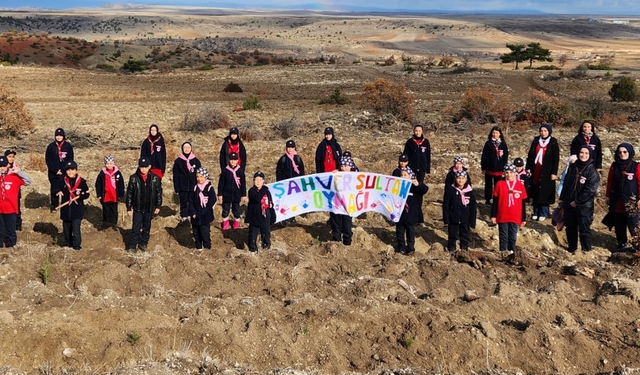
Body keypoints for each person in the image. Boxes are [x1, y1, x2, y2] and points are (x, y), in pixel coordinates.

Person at [559, 145, 599, 253]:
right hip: (569, 203)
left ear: (590, 155)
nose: (583, 155)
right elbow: (566, 183)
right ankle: (572, 249)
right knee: (570, 227)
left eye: (586, 153)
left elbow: (590, 190)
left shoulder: (592, 172)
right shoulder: (573, 167)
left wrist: (577, 201)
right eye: (582, 152)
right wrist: (563, 200)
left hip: (584, 206)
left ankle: (586, 250)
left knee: (584, 229)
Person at [605, 143, 640, 252]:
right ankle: (622, 243)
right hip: (617, 200)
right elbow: (610, 181)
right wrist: (607, 196)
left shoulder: (636, 166)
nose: (622, 154)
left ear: (630, 152)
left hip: (632, 201)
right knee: (619, 223)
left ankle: (637, 246)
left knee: (634, 224)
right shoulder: (614, 166)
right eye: (620, 152)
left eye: (625, 152)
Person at [126, 157, 162, 252]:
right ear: (138, 166)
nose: (144, 169)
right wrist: (129, 207)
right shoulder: (133, 178)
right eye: (142, 167)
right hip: (138, 208)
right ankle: (132, 246)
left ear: (149, 166)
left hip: (149, 208)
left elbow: (158, 192)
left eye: (146, 167)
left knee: (147, 227)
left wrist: (158, 206)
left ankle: (143, 244)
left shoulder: (154, 178)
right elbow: (129, 193)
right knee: (135, 228)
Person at [526, 124, 559, 222]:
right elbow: (530, 155)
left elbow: (555, 159)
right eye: (541, 131)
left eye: (545, 131)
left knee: (545, 191)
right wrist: (528, 168)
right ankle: (535, 211)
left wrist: (554, 172)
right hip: (536, 169)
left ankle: (543, 212)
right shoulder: (536, 141)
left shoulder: (553, 142)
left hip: (547, 171)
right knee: (535, 190)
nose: (543, 133)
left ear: (549, 131)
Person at [491, 163, 527, 252]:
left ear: (514, 173)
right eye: (506, 172)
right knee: (503, 236)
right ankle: (503, 254)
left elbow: (523, 203)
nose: (509, 175)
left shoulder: (520, 185)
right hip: (503, 215)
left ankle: (511, 254)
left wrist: (523, 218)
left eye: (511, 172)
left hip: (515, 215)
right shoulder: (499, 184)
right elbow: (495, 201)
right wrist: (493, 215)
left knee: (513, 236)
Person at [55, 161, 90, 251]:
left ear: (76, 171)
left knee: (76, 229)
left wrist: (83, 194)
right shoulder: (62, 181)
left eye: (72, 170)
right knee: (66, 229)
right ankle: (68, 245)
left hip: (77, 210)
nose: (70, 172)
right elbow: (55, 188)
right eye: (68, 170)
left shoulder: (81, 181)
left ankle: (77, 246)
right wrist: (58, 191)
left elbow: (86, 194)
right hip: (66, 209)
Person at [0, 156, 31, 247]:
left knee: (11, 230)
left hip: (11, 208)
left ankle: (11, 246)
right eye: (0, 166)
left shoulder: (13, 176)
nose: (2, 168)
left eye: (4, 166)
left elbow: (28, 181)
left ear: (8, 166)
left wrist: (19, 172)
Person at [397, 167, 429, 255]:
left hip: (411, 214)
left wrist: (418, 184)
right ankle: (401, 248)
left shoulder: (415, 188)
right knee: (400, 232)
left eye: (405, 175)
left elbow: (425, 189)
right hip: (400, 214)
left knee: (410, 232)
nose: (403, 177)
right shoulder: (397, 187)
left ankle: (410, 248)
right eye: (402, 175)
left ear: (410, 176)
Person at [443, 170, 477, 252]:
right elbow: (446, 205)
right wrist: (446, 219)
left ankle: (464, 251)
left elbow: (473, 207)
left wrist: (472, 221)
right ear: (455, 179)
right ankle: (451, 250)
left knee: (464, 235)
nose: (460, 180)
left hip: (465, 218)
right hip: (453, 217)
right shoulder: (450, 190)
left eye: (462, 178)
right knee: (452, 235)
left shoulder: (469, 191)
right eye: (458, 178)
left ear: (466, 180)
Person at [331, 152, 359, 246]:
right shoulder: (336, 174)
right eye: (342, 166)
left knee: (347, 225)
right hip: (336, 204)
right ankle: (336, 244)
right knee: (336, 225)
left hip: (348, 205)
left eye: (345, 166)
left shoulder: (356, 176)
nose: (343, 168)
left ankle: (347, 244)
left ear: (350, 167)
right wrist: (332, 175)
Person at [276, 139, 305, 225]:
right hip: (285, 185)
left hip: (296, 185)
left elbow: (302, 172)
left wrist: (301, 183)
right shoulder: (283, 159)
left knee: (294, 201)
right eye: (288, 147)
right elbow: (279, 172)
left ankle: (292, 217)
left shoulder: (298, 159)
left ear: (294, 148)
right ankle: (285, 218)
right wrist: (280, 183)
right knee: (285, 201)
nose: (290, 149)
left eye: (292, 147)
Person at [45, 128, 74, 212]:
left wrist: (64, 170)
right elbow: (48, 160)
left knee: (66, 189)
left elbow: (70, 159)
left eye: (60, 135)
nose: (59, 137)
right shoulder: (51, 146)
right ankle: (54, 206)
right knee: (54, 189)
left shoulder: (68, 146)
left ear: (63, 136)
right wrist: (55, 170)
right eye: (57, 135)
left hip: (65, 172)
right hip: (53, 173)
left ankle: (65, 205)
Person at [246, 171, 274, 252]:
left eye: (260, 180)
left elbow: (270, 203)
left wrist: (272, 215)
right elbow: (257, 198)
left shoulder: (267, 192)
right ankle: (252, 248)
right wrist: (264, 189)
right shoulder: (252, 191)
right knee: (253, 233)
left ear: (263, 181)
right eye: (256, 180)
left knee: (266, 231)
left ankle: (266, 245)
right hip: (254, 215)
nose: (258, 182)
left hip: (265, 214)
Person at [188, 168, 216, 250]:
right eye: (197, 177)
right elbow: (190, 201)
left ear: (206, 177)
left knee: (205, 233)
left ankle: (207, 249)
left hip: (205, 217)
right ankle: (198, 248)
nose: (199, 179)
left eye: (201, 177)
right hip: (194, 216)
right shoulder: (194, 188)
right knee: (196, 234)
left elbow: (210, 203)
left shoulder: (209, 188)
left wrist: (200, 214)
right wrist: (192, 212)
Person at [218, 152, 247, 230]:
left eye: (234, 160)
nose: (233, 161)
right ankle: (225, 223)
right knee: (225, 210)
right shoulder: (225, 171)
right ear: (229, 160)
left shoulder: (240, 171)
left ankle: (236, 223)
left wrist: (243, 194)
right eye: (231, 160)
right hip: (226, 194)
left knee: (236, 210)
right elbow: (221, 183)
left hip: (236, 195)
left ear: (237, 160)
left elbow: (243, 184)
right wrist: (220, 194)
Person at [173, 142, 201, 221]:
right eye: (185, 147)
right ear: (182, 149)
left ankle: (191, 215)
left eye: (188, 147)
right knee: (183, 202)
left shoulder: (196, 160)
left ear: (191, 148)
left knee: (192, 201)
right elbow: (176, 175)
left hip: (193, 185)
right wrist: (177, 187)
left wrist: (199, 185)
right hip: (183, 186)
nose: (187, 149)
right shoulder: (178, 161)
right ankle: (184, 216)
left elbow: (200, 174)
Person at [481, 126, 508, 205]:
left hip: (499, 168)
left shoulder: (503, 143)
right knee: (488, 184)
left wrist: (504, 167)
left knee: (498, 184)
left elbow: (505, 156)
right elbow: (484, 156)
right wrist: (483, 167)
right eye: (493, 132)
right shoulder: (488, 143)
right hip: (489, 167)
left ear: (500, 134)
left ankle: (497, 198)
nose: (495, 134)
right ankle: (488, 199)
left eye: (496, 133)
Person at [95, 156, 125, 228]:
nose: (109, 165)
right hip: (105, 195)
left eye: (111, 163)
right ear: (105, 164)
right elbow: (98, 184)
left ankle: (113, 225)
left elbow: (121, 184)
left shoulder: (117, 173)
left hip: (114, 195)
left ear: (113, 164)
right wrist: (99, 194)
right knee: (106, 210)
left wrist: (121, 194)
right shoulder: (102, 173)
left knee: (114, 210)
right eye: (107, 164)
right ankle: (106, 225)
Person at [5, 149, 23, 231]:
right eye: (9, 157)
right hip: (4, 192)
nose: (11, 159)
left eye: (13, 157)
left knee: (16, 209)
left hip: (15, 192)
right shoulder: (2, 167)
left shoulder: (16, 168)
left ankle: (17, 225)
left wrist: (18, 172)